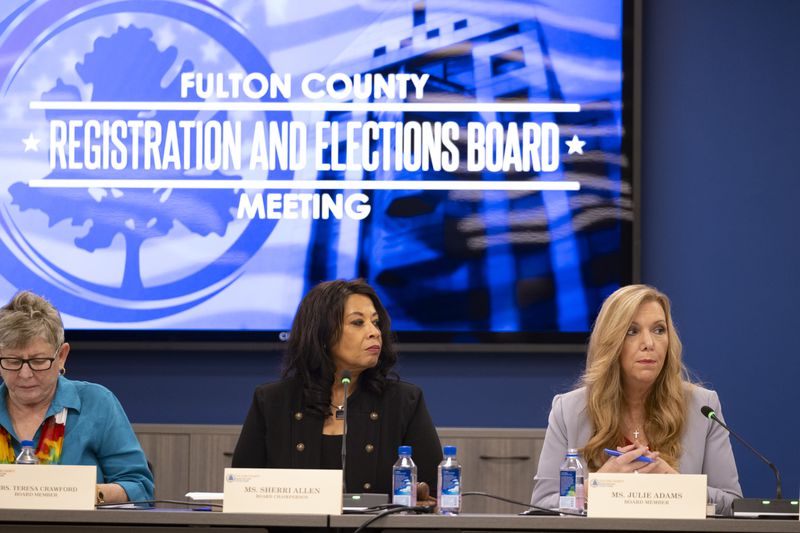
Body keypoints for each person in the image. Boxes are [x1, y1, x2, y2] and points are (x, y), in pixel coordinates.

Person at [531, 284, 742, 516]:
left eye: (659, 330)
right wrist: (598, 486)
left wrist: (679, 486)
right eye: (632, 331)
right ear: (611, 343)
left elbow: (732, 505)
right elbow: (542, 505)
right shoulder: (569, 410)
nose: (649, 343)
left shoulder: (703, 407)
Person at [233, 279, 442, 499]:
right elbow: (242, 490)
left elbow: (432, 493)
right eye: (358, 322)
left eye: (376, 322)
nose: (375, 333)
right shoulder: (272, 401)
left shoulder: (404, 401)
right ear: (322, 334)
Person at [0, 291, 154, 504]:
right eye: (12, 360)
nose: (25, 374)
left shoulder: (97, 403)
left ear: (61, 356)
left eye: (38, 361)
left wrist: (81, 492)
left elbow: (140, 488)